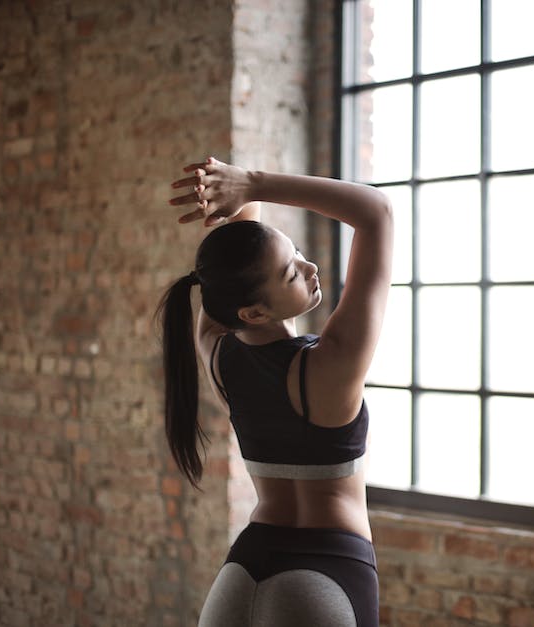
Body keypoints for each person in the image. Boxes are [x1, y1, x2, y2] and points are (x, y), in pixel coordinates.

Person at [157, 157, 392, 626]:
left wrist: (244, 190)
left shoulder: (216, 351)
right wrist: (253, 183)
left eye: (297, 253)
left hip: (244, 571)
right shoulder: (333, 364)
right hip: (326, 574)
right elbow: (377, 212)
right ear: (253, 313)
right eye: (290, 273)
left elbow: (243, 239)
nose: (310, 268)